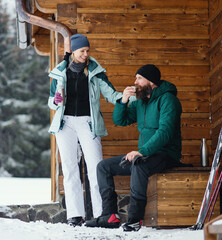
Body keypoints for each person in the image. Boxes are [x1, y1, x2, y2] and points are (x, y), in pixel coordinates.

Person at [85, 64, 183, 231]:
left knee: (138, 165)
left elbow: (165, 132)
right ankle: (109, 215)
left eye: (139, 78)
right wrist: (123, 101)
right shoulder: (140, 102)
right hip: (145, 155)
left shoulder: (168, 100)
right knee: (103, 167)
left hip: (165, 154)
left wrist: (142, 151)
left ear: (151, 82)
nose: (135, 81)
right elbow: (120, 120)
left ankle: (135, 219)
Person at [48, 34, 123, 227]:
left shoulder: (96, 73)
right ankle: (75, 215)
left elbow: (112, 95)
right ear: (73, 51)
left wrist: (126, 97)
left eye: (87, 51)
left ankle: (101, 214)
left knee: (96, 167)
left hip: (88, 123)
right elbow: (51, 101)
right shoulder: (60, 73)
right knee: (70, 168)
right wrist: (56, 101)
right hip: (65, 124)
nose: (86, 54)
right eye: (82, 51)